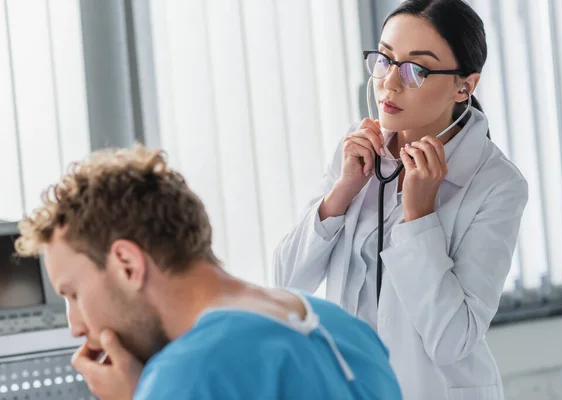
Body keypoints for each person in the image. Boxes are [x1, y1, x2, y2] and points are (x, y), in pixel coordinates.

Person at [273, 1, 528, 399]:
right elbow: (285, 282)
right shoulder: (358, 150)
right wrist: (341, 193)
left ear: (465, 86)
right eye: (385, 60)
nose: (389, 84)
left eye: (416, 70)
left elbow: (452, 340)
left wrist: (419, 216)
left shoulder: (496, 184)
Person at [14, 145, 402, 400]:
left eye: (74, 294)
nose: (75, 326)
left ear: (127, 265)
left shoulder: (192, 374)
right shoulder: (343, 329)